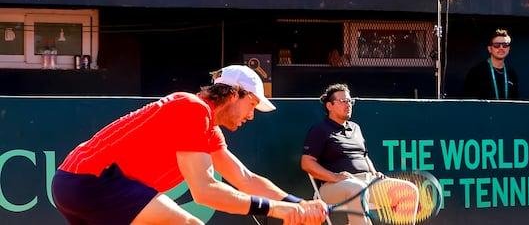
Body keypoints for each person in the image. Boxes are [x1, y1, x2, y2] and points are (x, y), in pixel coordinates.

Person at [52, 65, 328, 224]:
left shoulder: (208, 128)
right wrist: (276, 209)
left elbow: (244, 178)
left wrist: (299, 204)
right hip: (93, 181)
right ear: (234, 94)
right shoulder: (192, 108)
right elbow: (204, 191)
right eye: (252, 104)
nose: (251, 115)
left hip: (75, 184)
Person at [300, 84, 382, 225]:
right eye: (343, 101)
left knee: (406, 191)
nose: (348, 104)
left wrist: (375, 174)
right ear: (329, 106)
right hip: (334, 187)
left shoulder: (356, 128)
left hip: (368, 182)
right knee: (358, 189)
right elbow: (307, 163)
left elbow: (364, 156)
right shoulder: (320, 130)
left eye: (350, 101)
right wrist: (335, 177)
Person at [462, 29, 520, 100]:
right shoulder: (477, 72)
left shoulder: (511, 73)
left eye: (505, 45)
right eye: (496, 45)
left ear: (509, 48)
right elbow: (468, 101)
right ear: (490, 49)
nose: (501, 48)